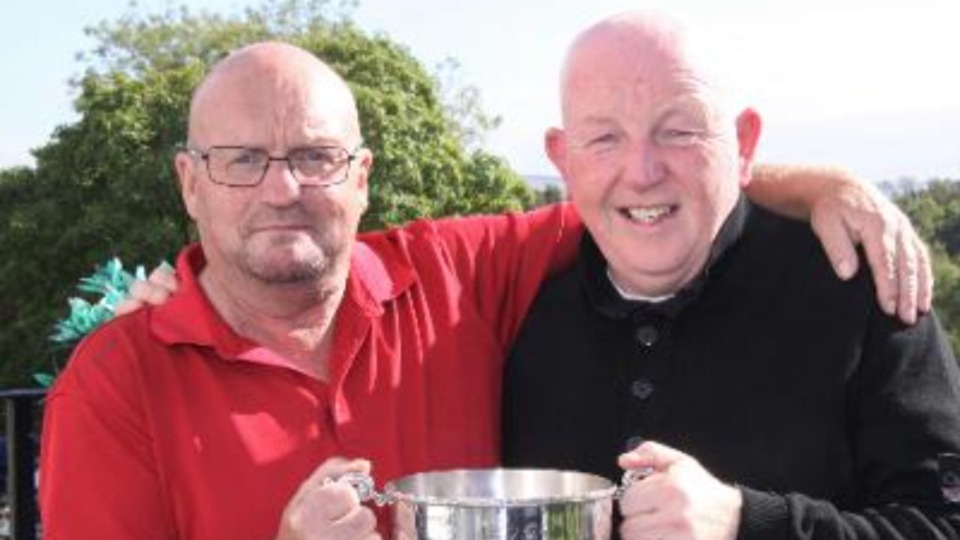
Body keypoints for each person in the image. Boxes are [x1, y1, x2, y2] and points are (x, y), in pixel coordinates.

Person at [38, 41, 930, 540]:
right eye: (241, 161)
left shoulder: (454, 277)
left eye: (317, 157)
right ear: (190, 182)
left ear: (362, 178)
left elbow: (643, 188)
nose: (283, 189)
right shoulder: (116, 384)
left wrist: (825, 186)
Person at [500, 10, 960, 539]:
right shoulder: (513, 314)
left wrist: (747, 522)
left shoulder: (864, 292)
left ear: (743, 143)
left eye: (678, 131)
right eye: (604, 138)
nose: (643, 171)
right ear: (561, 158)